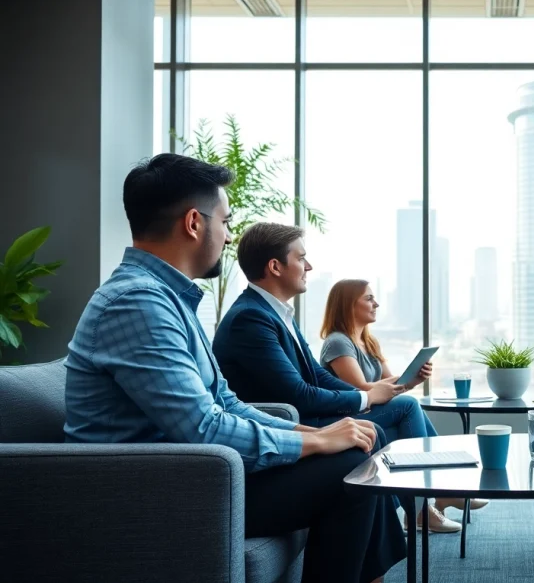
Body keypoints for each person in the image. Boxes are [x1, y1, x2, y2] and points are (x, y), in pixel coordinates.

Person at [63, 153, 405, 583]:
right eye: (225, 222)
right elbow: (202, 428)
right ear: (193, 223)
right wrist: (317, 445)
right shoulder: (138, 302)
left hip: (191, 470)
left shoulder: (168, 300)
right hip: (152, 486)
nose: (228, 237)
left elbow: (224, 401)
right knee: (348, 471)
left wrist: (314, 434)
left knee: (354, 454)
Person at [213, 223, 463, 534]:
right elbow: (298, 393)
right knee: (402, 410)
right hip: (291, 422)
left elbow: (316, 375)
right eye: (301, 258)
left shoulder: (276, 313)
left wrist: (364, 401)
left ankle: (427, 498)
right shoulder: (251, 318)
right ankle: (430, 497)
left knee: (396, 412)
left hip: (306, 412)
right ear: (275, 267)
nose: (309, 266)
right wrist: (366, 398)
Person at [320, 278, 489, 530]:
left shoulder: (368, 341)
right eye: (368, 298)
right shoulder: (338, 342)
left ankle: (432, 499)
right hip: (349, 418)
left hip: (372, 414)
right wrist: (404, 388)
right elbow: (361, 391)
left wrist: (413, 378)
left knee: (408, 405)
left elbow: (390, 383)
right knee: (408, 406)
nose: (376, 303)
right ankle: (423, 507)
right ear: (347, 305)